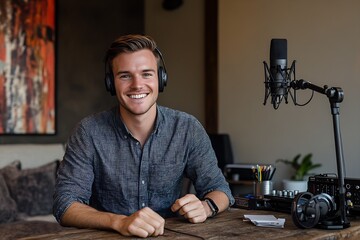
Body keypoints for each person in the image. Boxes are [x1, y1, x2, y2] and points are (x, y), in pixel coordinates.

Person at [53, 34, 234, 238]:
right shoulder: (88, 132)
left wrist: (206, 206)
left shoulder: (187, 128)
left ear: (161, 79)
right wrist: (119, 221)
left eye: (147, 74)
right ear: (111, 83)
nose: (137, 85)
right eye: (125, 76)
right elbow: (65, 204)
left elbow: (220, 189)